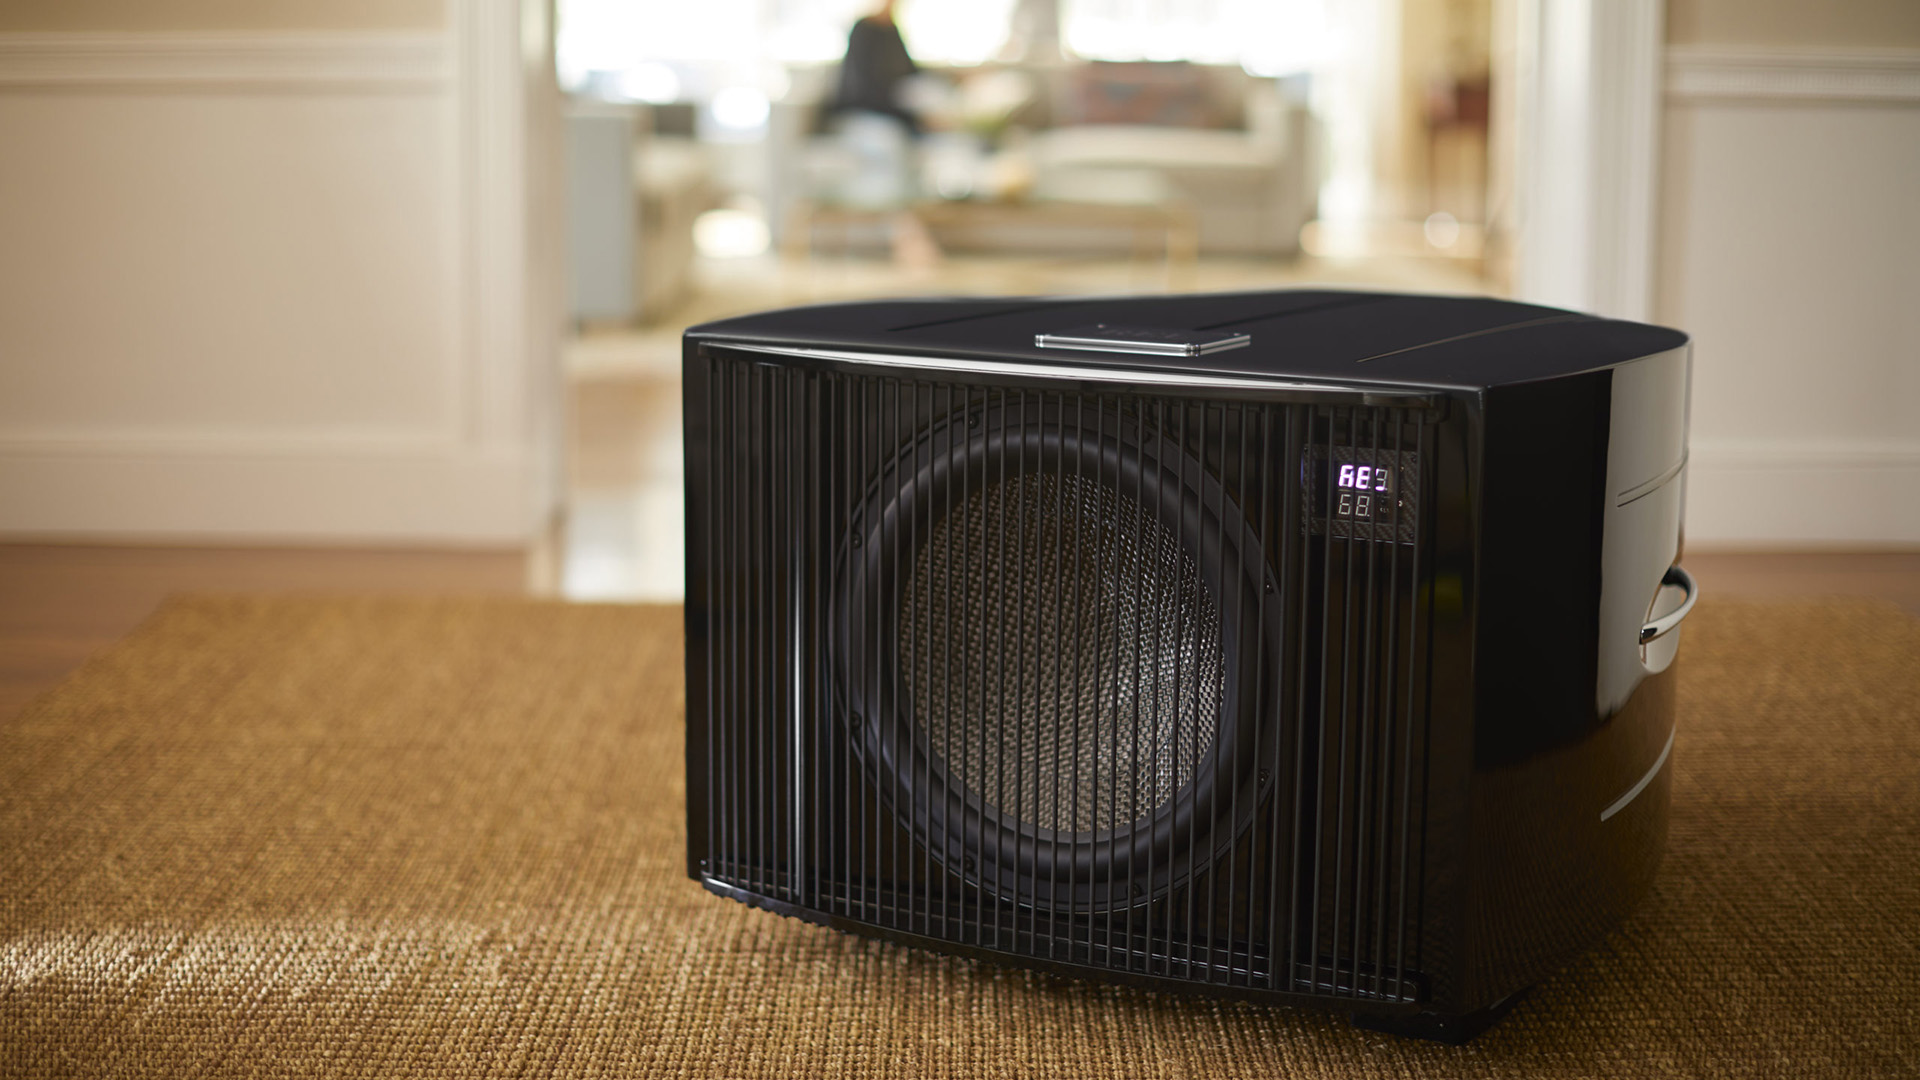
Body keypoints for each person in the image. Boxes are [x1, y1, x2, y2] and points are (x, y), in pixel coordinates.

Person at [830, 0, 920, 134]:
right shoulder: (863, 29)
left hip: (893, 113)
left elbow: (912, 73)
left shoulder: (893, 30)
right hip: (862, 111)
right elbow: (863, 86)